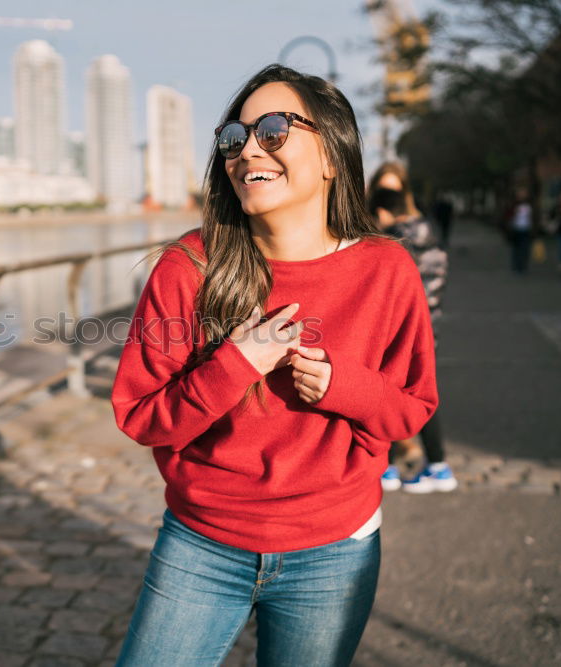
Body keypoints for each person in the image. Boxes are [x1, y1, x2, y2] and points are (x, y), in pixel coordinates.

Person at [110, 63, 438, 665]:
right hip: (201, 544)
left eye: (273, 129)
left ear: (333, 155)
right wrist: (233, 366)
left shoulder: (388, 270)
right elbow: (139, 415)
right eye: (234, 138)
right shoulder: (188, 266)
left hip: (336, 549)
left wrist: (345, 386)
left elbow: (411, 409)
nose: (246, 149)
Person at [368, 185, 457, 493]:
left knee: (389, 393)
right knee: (421, 392)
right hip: (431, 321)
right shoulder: (431, 231)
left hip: (401, 325)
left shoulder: (394, 238)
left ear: (380, 212)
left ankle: (390, 469)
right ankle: (438, 467)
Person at [507, 188, 533, 274]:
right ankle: (516, 266)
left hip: (526, 229)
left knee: (525, 249)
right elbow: (508, 215)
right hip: (516, 229)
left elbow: (533, 217)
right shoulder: (514, 204)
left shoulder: (529, 205)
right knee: (516, 249)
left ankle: (523, 266)